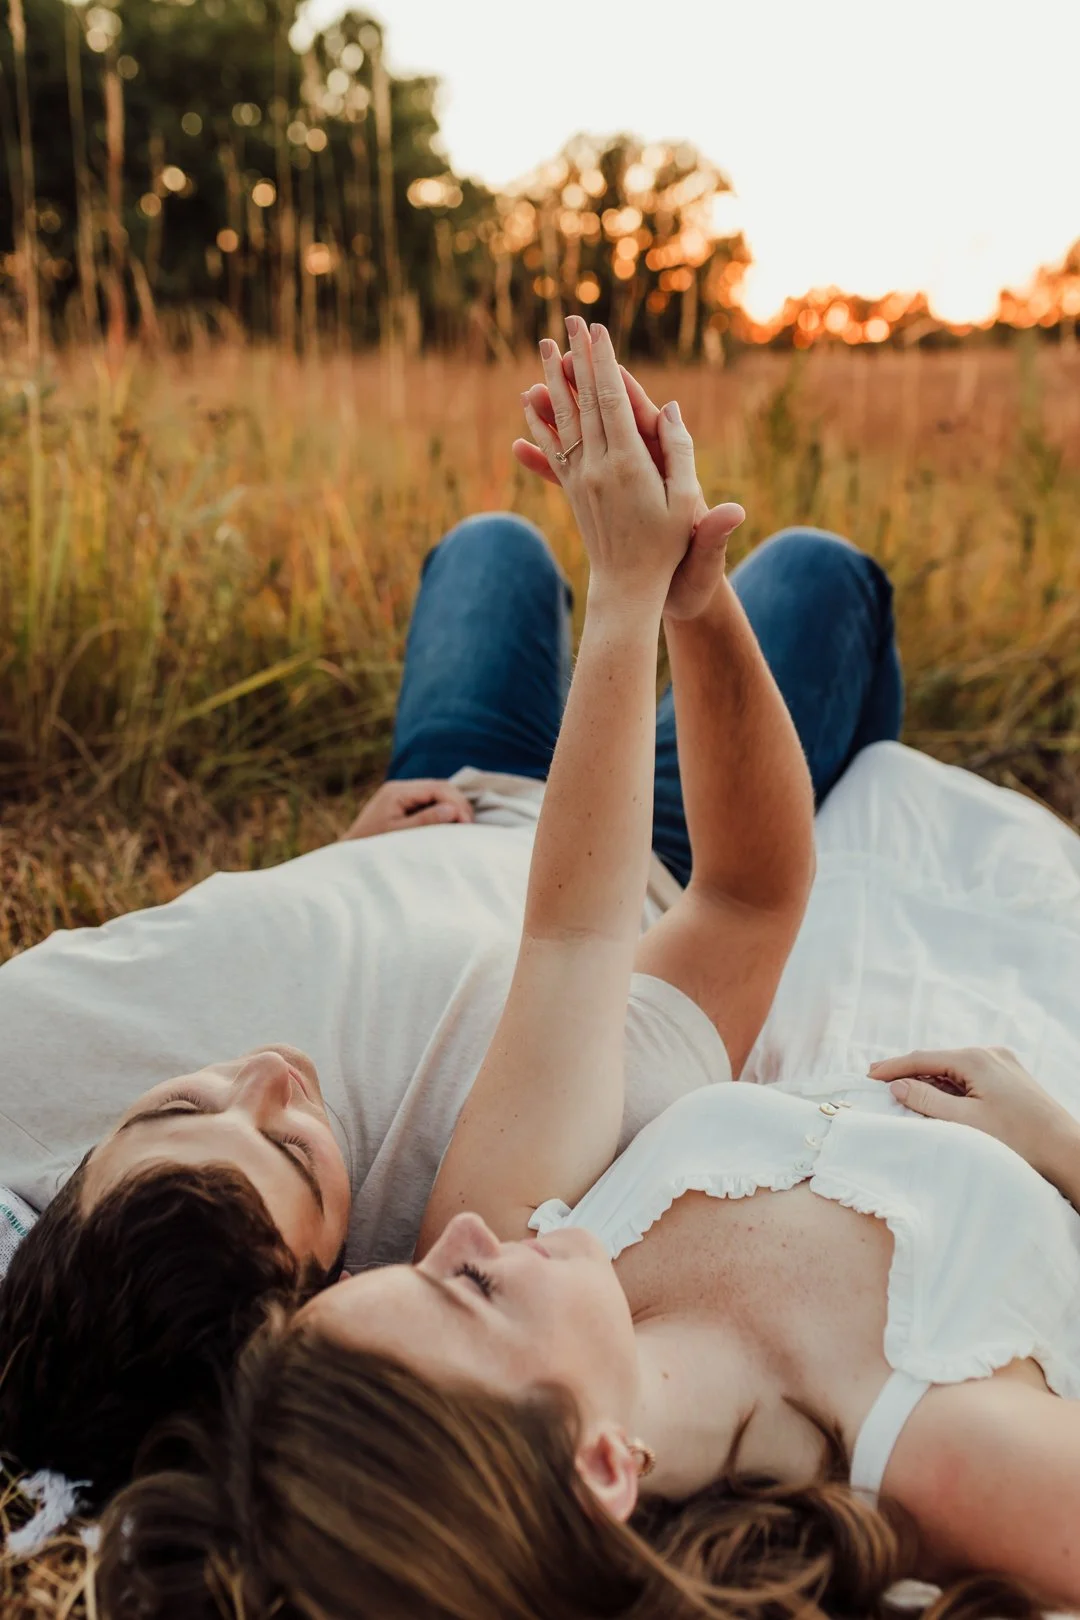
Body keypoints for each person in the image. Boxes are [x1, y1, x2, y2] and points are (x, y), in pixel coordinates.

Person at [98, 322, 1080, 1619]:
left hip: (623, 832)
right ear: (601, 1467)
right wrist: (1061, 1154)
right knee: (830, 578)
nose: (448, 1232)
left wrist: (676, 602)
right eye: (464, 1287)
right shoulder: (949, 1451)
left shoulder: (537, 1228)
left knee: (499, 550)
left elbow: (594, 928)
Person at [0, 319, 903, 1508]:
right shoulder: (507, 1195)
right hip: (646, 830)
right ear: (331, 1291)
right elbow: (739, 897)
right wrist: (676, 599)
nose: (269, 1069)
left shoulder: (75, 1182)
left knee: (490, 551)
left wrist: (333, 869)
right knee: (821, 575)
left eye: (180, 1099)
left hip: (442, 797)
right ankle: (877, 771)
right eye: (290, 1145)